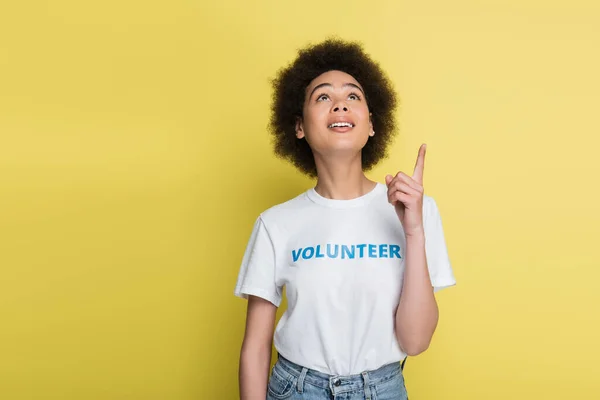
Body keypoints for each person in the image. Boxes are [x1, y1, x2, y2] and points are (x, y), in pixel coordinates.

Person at [234, 37, 457, 400]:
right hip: (296, 389)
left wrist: (413, 231)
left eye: (353, 96)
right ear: (299, 127)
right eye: (323, 97)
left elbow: (415, 342)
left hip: (383, 389)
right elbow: (255, 348)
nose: (340, 104)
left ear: (371, 124)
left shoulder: (416, 209)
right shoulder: (275, 223)